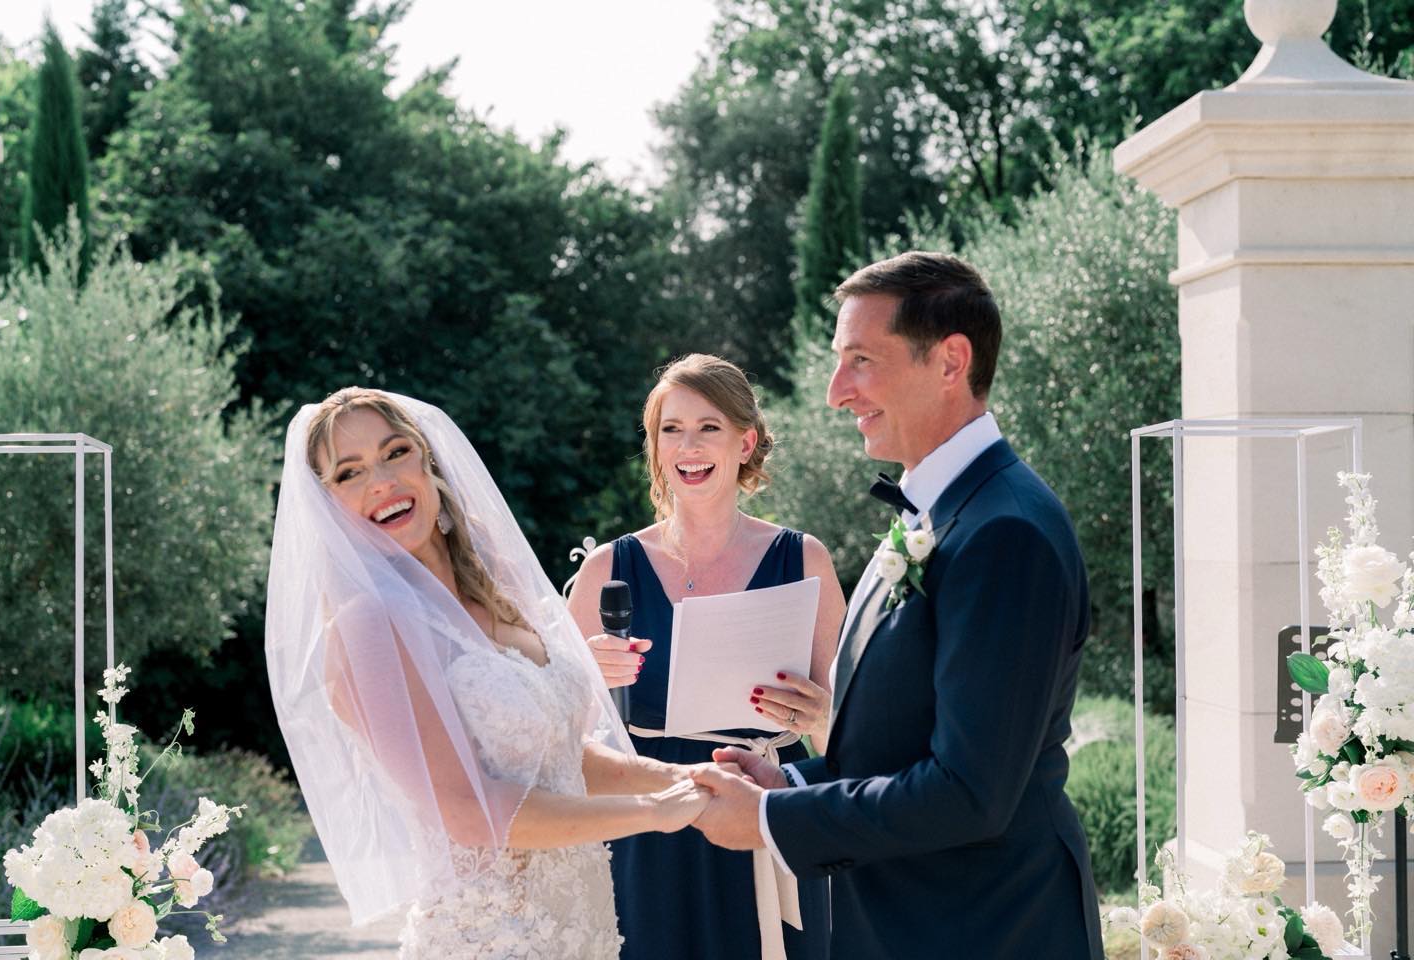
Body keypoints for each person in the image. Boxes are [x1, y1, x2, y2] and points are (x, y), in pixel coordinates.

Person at [690, 254, 1103, 959]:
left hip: (983, 930)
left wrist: (769, 819)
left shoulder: (1005, 531)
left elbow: (969, 792)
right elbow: (903, 739)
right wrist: (788, 781)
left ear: (950, 362)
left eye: (861, 360)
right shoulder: (944, 513)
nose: (835, 392)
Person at [265, 387, 725, 960]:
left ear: (428, 461)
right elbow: (466, 810)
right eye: (349, 472)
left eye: (395, 452)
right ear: (330, 507)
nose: (380, 481)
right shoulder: (368, 627)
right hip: (489, 939)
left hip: (582, 929)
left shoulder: (496, 581)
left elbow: (559, 756)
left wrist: (677, 776)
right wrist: (655, 813)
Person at [568, 354, 845, 960]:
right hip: (646, 823)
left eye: (708, 427)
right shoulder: (606, 569)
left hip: (767, 808)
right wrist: (584, 676)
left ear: (745, 442)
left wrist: (818, 715)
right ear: (655, 446)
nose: (688, 447)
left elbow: (852, 736)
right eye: (671, 429)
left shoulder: (805, 560)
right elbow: (555, 738)